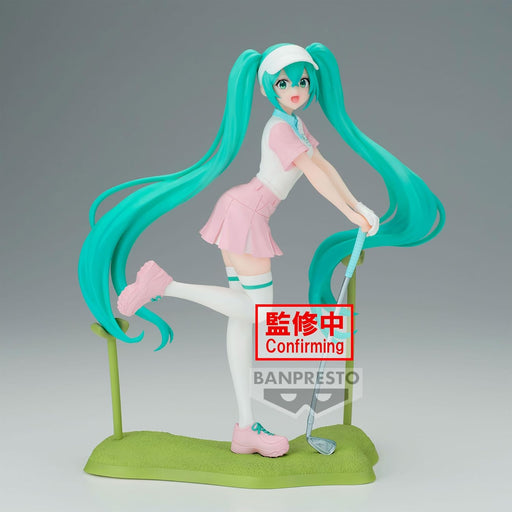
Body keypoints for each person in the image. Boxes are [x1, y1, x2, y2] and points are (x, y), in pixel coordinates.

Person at [79, 43, 445, 458]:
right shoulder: (279, 129)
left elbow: (325, 167)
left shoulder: (295, 124)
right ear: (269, 88)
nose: (295, 89)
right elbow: (312, 176)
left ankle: (244, 428)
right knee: (256, 314)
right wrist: (350, 212)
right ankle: (164, 285)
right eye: (284, 83)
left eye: (302, 81)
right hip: (248, 214)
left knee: (242, 320)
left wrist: (357, 206)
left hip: (242, 209)